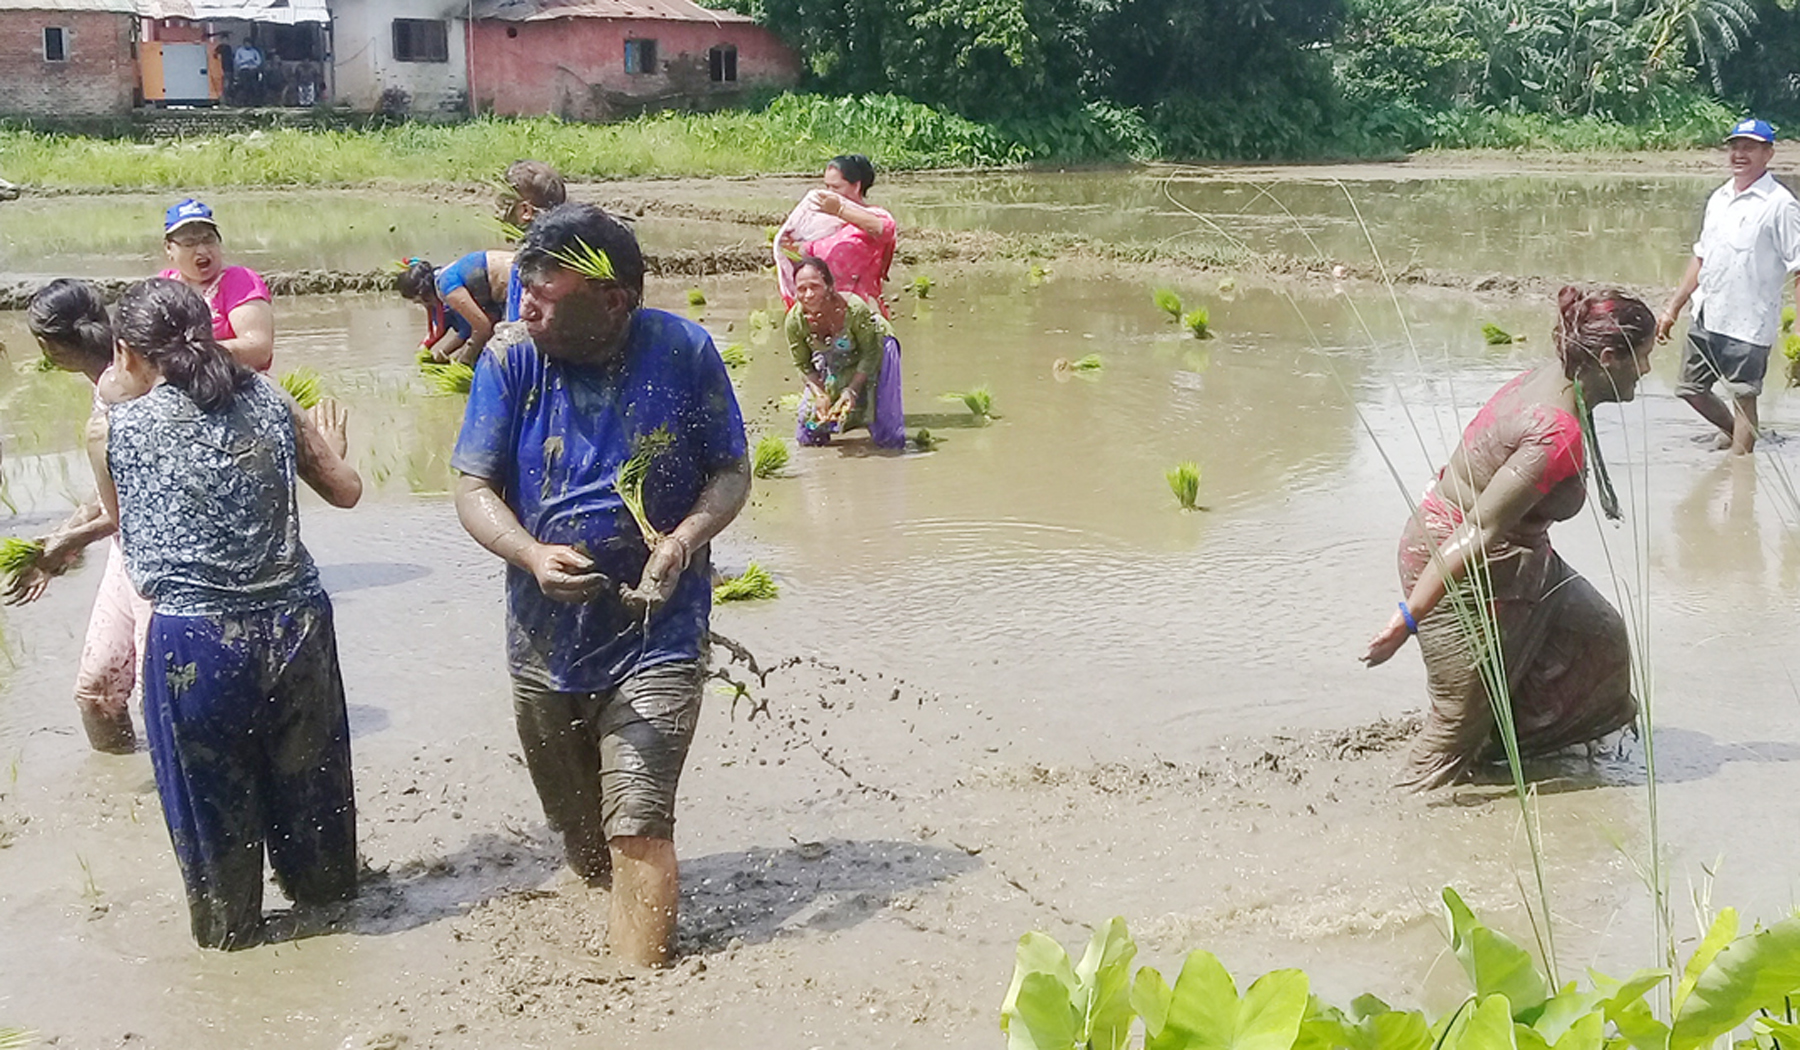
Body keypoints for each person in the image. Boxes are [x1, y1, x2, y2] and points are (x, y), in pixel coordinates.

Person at [452, 203, 749, 968]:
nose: (523, 309)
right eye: (523, 292)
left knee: (638, 820)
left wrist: (684, 540)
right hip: (543, 636)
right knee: (584, 837)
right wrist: (529, 554)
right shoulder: (511, 359)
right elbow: (472, 486)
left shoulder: (682, 351)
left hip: (660, 624)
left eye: (543, 298)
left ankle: (637, 991)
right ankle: (608, 906)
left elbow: (730, 471)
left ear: (613, 300)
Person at [89, 277, 363, 949]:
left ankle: (233, 938)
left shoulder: (111, 431)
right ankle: (332, 921)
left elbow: (126, 529)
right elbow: (347, 492)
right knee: (315, 801)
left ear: (126, 353)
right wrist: (334, 452)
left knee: (213, 817)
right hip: (296, 628)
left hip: (195, 641)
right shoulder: (268, 399)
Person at [1363, 287, 1656, 790]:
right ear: (1607, 358)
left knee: (1599, 639)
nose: (1648, 371)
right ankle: (1396, 812)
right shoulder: (1554, 434)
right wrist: (1409, 617)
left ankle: (1509, 751)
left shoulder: (1560, 376)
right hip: (1463, 565)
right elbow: (1477, 529)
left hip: (1522, 558)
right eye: (1644, 357)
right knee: (1453, 734)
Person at [10, 279, 152, 753]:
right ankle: (119, 783)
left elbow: (135, 502)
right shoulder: (103, 384)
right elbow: (108, 493)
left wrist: (66, 544)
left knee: (169, 696)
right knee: (96, 694)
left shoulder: (130, 385)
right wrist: (59, 536)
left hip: (162, 556)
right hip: (125, 550)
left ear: (49, 346)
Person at [1657, 118, 1800, 455]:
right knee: (1690, 388)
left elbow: (1799, 267)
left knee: (1743, 395)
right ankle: (1739, 434)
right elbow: (1701, 257)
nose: (1739, 153)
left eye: (1749, 147)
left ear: (1768, 153)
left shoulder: (1780, 204)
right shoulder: (1719, 197)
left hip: (1750, 321)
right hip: (1708, 312)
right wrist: (1673, 307)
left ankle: (1741, 467)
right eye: (1735, 146)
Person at [786, 256, 905, 448]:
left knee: (886, 429)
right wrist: (820, 393)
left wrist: (852, 390)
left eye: (814, 286)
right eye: (801, 289)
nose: (808, 294)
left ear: (829, 286)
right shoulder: (795, 321)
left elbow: (871, 353)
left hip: (877, 349)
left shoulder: (854, 308)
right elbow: (802, 364)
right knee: (809, 431)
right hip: (836, 357)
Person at [158, 198, 276, 372]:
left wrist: (193, 353)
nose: (202, 250)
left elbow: (259, 349)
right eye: (189, 243)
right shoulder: (163, 285)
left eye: (208, 240)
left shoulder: (241, 281)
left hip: (233, 382)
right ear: (169, 248)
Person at [776, 155, 896, 315]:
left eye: (836, 188)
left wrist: (840, 211)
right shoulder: (821, 225)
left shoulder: (876, 217)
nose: (829, 194)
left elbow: (883, 229)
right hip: (826, 316)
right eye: (827, 187)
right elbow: (806, 257)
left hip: (863, 313)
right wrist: (788, 248)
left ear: (856, 186)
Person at [398, 251, 514, 364]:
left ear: (424, 295)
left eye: (419, 302)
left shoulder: (447, 287)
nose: (425, 306)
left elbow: (482, 327)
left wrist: (464, 359)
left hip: (514, 278)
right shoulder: (441, 277)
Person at [497, 160, 568, 322]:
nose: (498, 215)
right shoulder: (572, 249)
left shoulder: (526, 262)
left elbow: (516, 326)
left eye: (503, 207)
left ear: (525, 210)